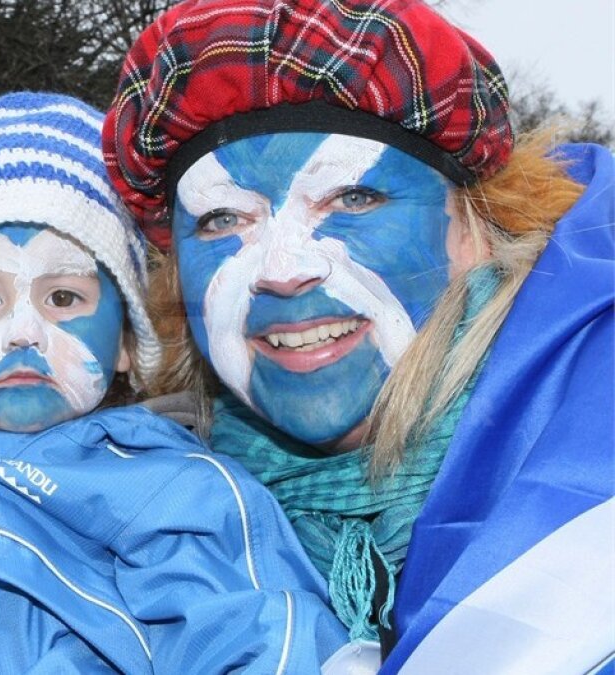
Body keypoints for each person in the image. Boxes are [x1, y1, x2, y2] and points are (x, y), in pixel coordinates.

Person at [103, 0, 614, 671]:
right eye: (223, 219)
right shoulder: (139, 524)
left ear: (474, 229)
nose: (282, 269)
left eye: (354, 199)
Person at [0, 92, 353, 674]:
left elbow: (260, 631)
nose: (23, 332)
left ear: (126, 343)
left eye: (63, 298)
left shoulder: (167, 484)